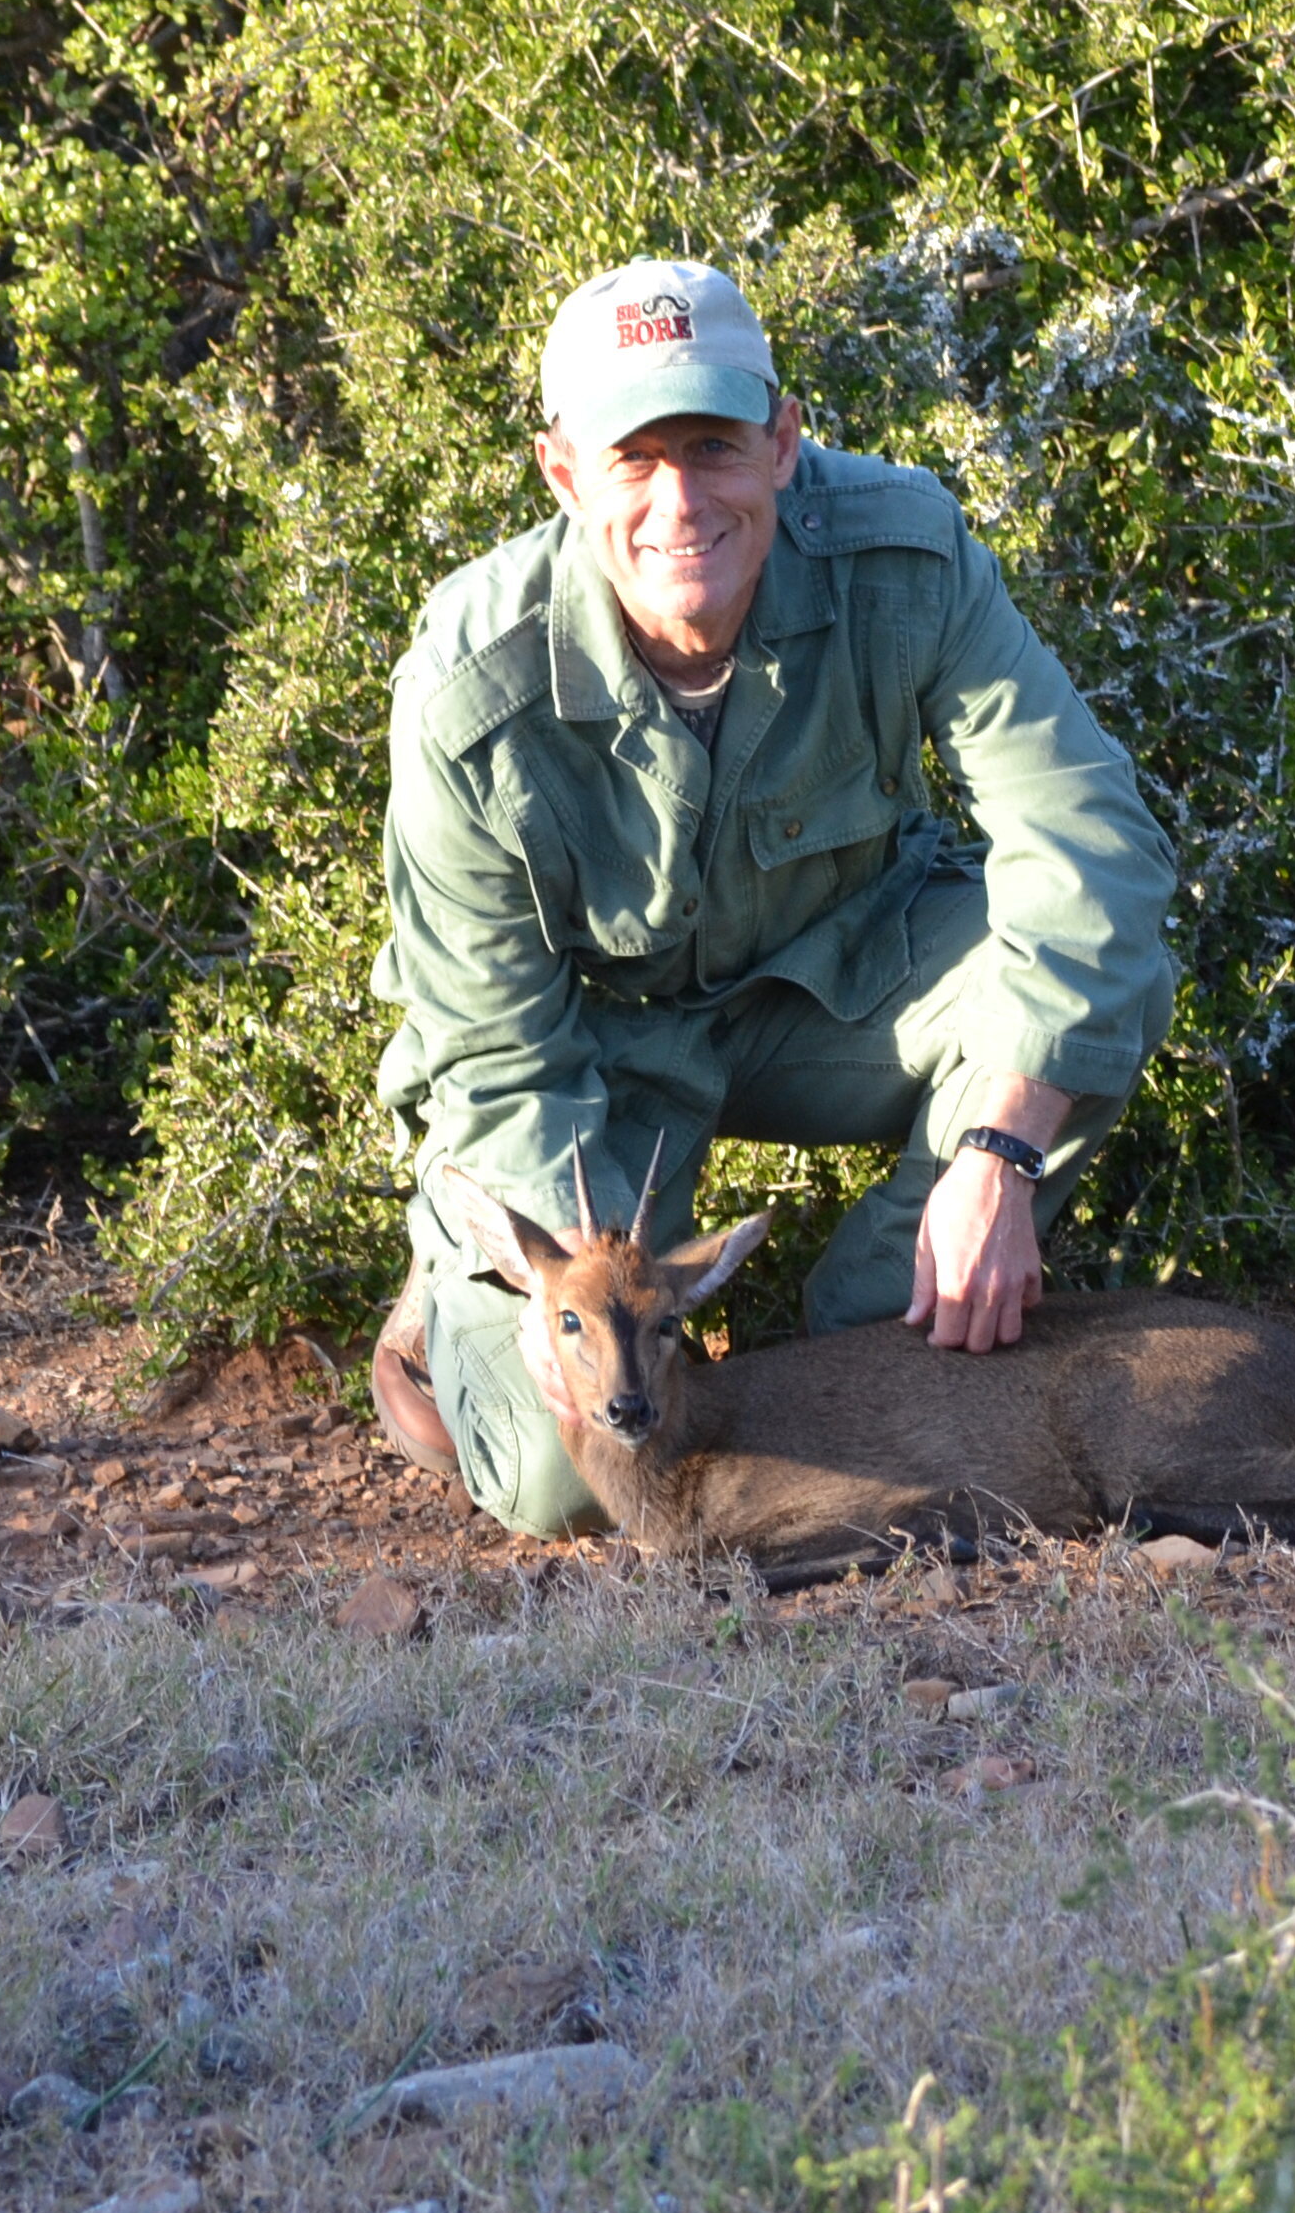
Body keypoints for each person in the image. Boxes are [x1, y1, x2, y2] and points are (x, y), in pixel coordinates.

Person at [362, 256, 1180, 1534]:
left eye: (714, 446)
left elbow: (1091, 852)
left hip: (839, 988)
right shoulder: (472, 684)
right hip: (600, 1065)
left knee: (1092, 994)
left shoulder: (906, 557)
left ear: (784, 442)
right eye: (634, 459)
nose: (679, 500)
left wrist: (1002, 1149)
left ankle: (860, 1333)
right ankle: (443, 1314)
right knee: (556, 1481)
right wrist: (565, 1292)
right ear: (564, 474)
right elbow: (494, 1048)